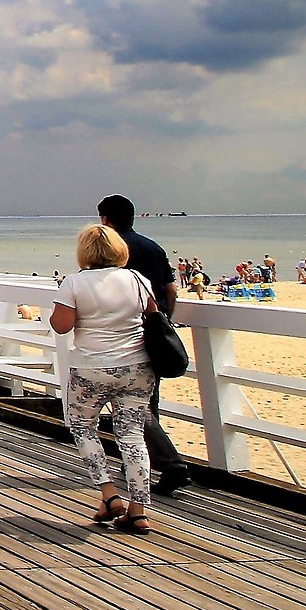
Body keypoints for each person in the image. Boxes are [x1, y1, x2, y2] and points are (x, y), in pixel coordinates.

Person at [50, 226, 157, 534]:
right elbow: (153, 313)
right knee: (133, 436)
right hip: (136, 366)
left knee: (83, 427)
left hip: (91, 369)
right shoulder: (138, 280)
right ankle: (138, 511)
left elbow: (61, 326)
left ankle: (109, 494)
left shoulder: (74, 283)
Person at [98, 195, 191, 496]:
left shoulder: (106, 252)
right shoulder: (153, 247)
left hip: (123, 335)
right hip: (154, 331)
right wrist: (164, 322)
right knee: (148, 401)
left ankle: (168, 461)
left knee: (131, 404)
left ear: (105, 219)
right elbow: (170, 289)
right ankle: (143, 463)